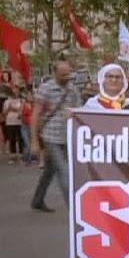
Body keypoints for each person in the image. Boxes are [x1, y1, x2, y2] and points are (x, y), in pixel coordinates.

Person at [30, 61, 81, 213]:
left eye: (69, 74)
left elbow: (80, 110)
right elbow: (36, 114)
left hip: (67, 137)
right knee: (63, 170)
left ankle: (37, 200)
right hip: (50, 137)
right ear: (55, 74)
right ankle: (74, 209)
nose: (67, 77)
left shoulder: (73, 90)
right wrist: (34, 141)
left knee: (49, 171)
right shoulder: (46, 88)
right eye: (63, 75)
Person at [3, 86, 24, 164]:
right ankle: (13, 156)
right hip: (10, 122)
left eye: (17, 91)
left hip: (19, 122)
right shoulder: (7, 101)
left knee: (20, 139)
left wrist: (16, 110)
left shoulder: (21, 100)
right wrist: (9, 108)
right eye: (14, 91)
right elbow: (4, 113)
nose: (15, 92)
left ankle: (21, 156)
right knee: (12, 139)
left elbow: (23, 110)